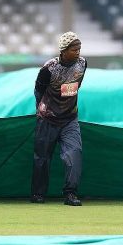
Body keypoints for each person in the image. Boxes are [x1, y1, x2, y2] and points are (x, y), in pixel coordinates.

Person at [31, 31, 87, 206]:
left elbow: (77, 85)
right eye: (73, 49)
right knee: (42, 158)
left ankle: (70, 194)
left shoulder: (83, 64)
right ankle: (38, 194)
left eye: (79, 48)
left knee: (74, 154)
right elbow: (38, 91)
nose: (77, 52)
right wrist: (43, 110)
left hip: (70, 119)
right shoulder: (48, 69)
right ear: (63, 50)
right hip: (47, 119)